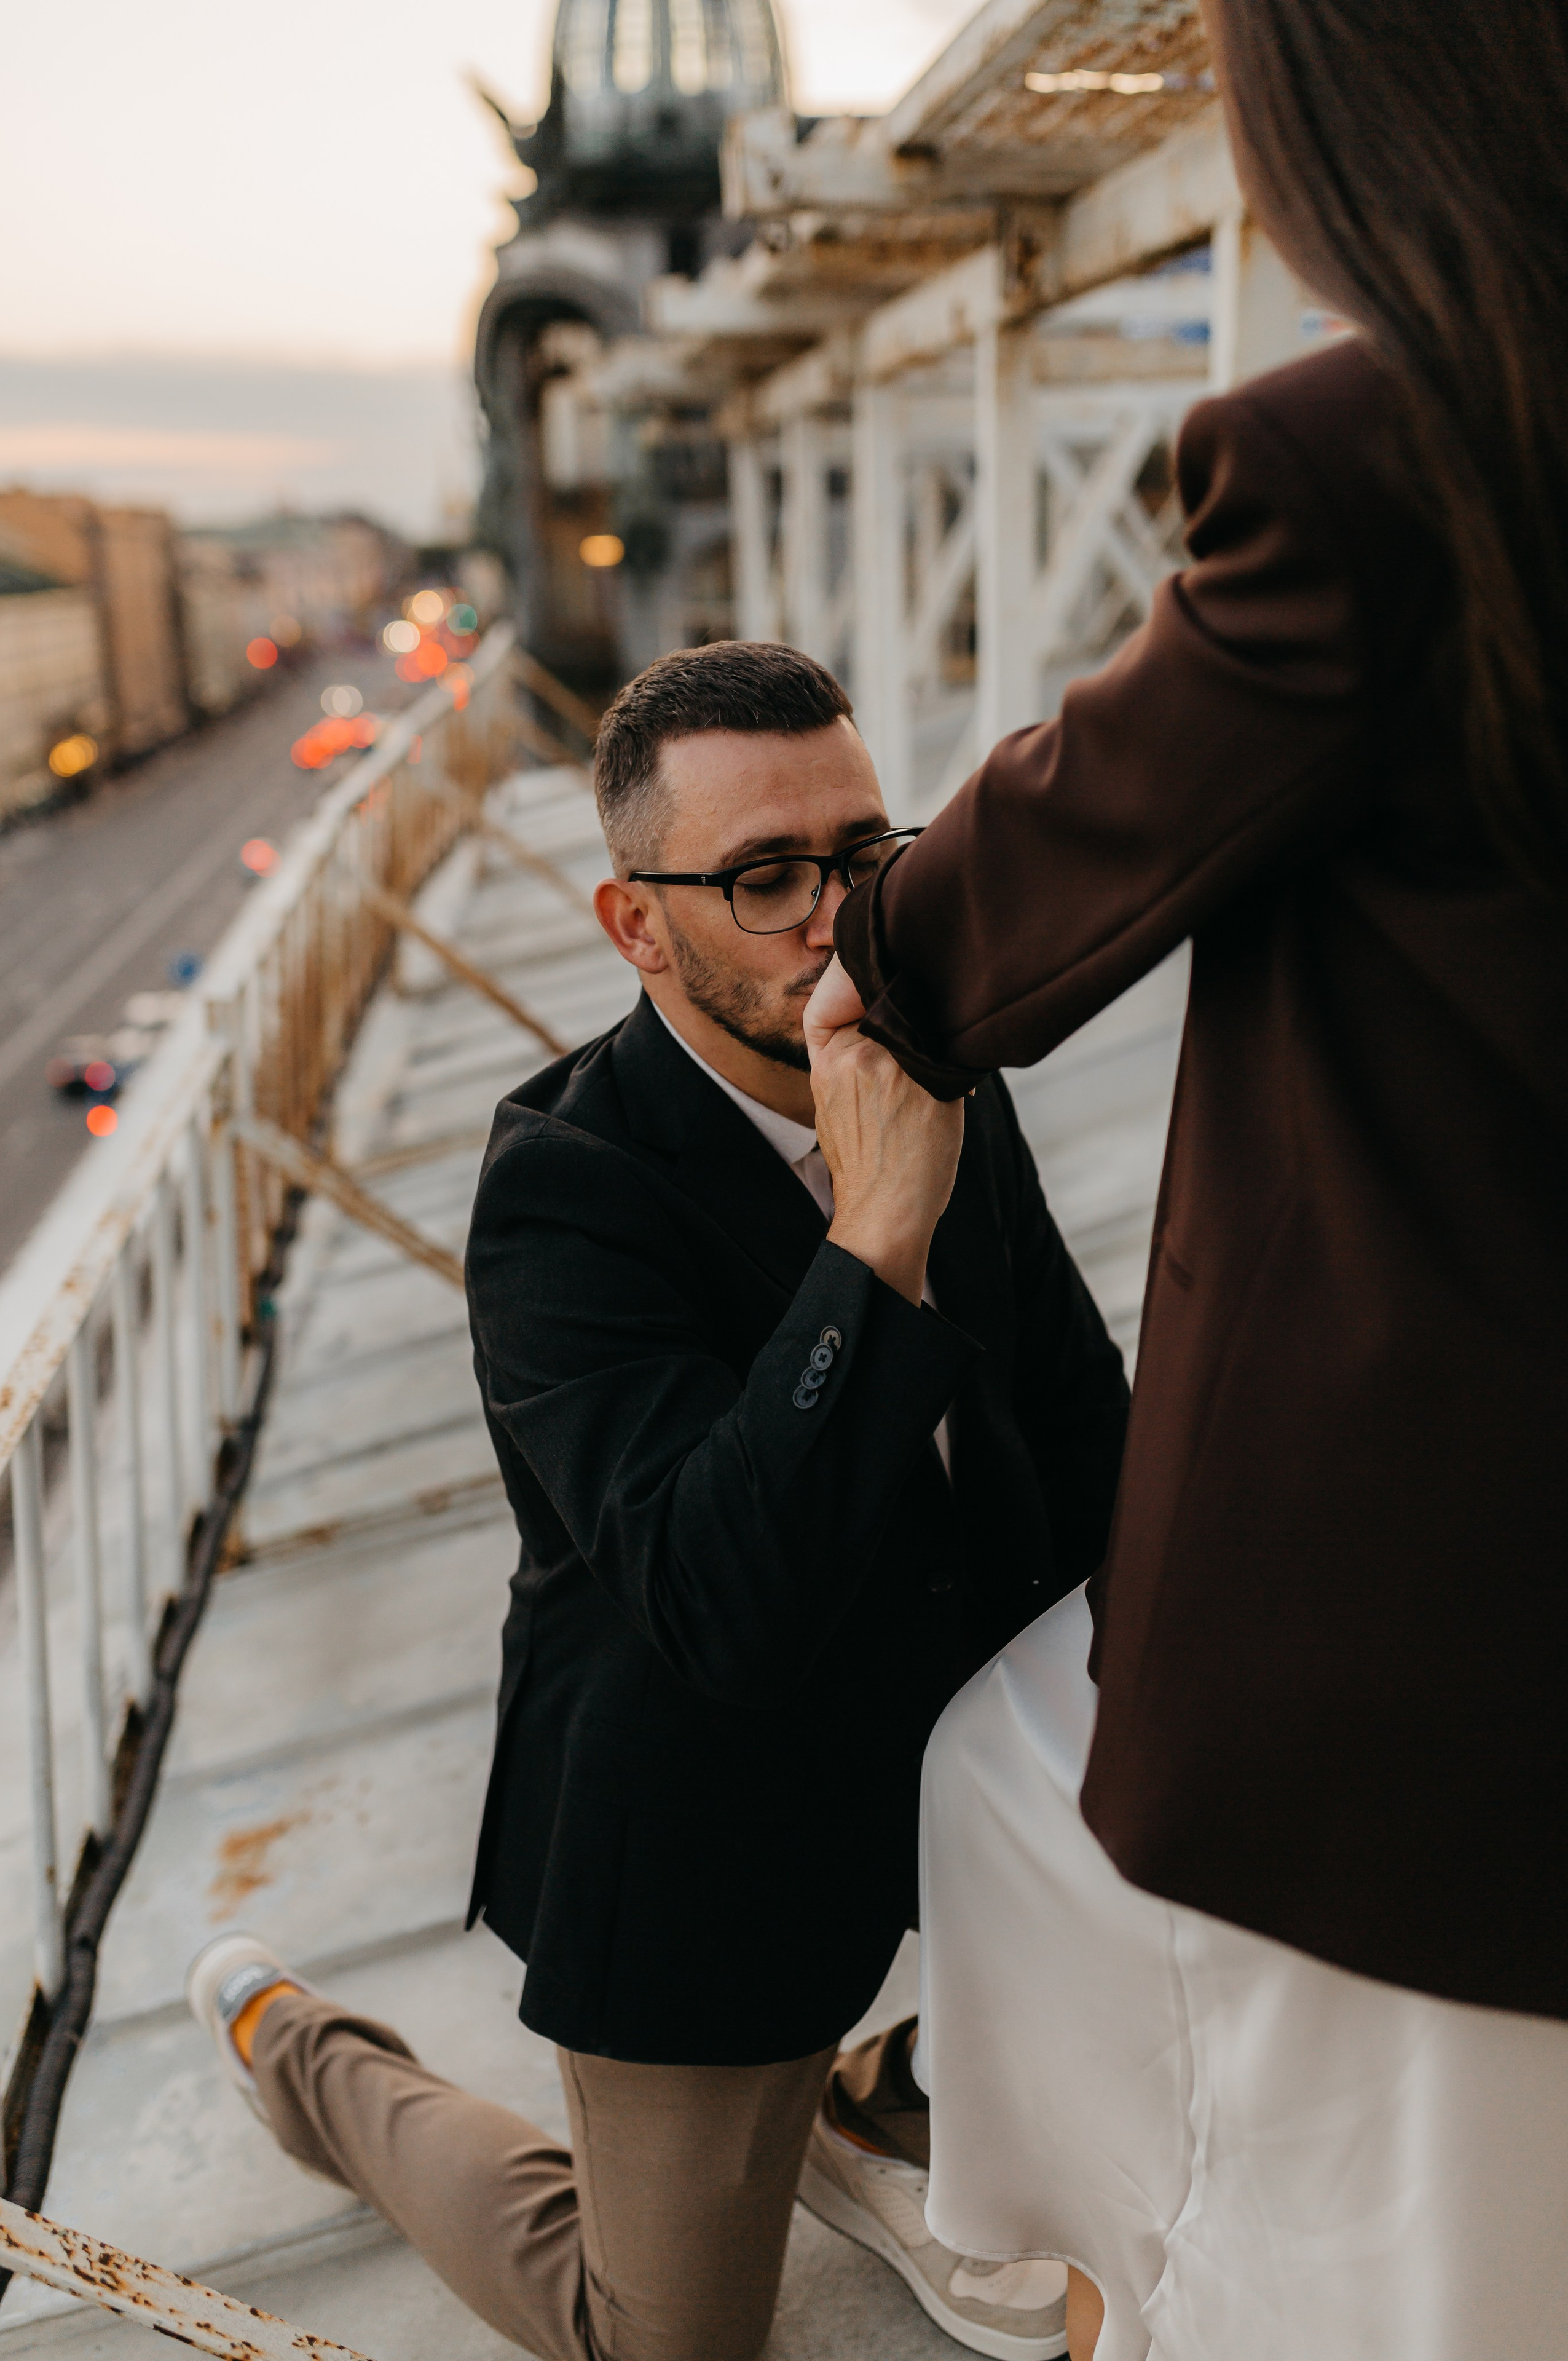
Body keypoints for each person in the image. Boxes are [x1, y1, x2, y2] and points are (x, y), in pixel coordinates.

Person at [806, 1, 1568, 2353]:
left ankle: (1069, 2243)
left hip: (1445, 1575)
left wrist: (869, 954)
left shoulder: (1375, 458)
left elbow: (1067, 851)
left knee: (1046, 1812)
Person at [187, 640, 1129, 2361]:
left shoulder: (934, 1065)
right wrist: (875, 1239)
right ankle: (306, 2057)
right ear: (637, 926)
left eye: (867, 857)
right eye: (768, 880)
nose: (840, 922)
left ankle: (889, 2087)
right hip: (708, 1821)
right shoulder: (560, 1197)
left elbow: (1080, 1436)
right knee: (662, 2342)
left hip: (966, 1758)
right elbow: (722, 1605)